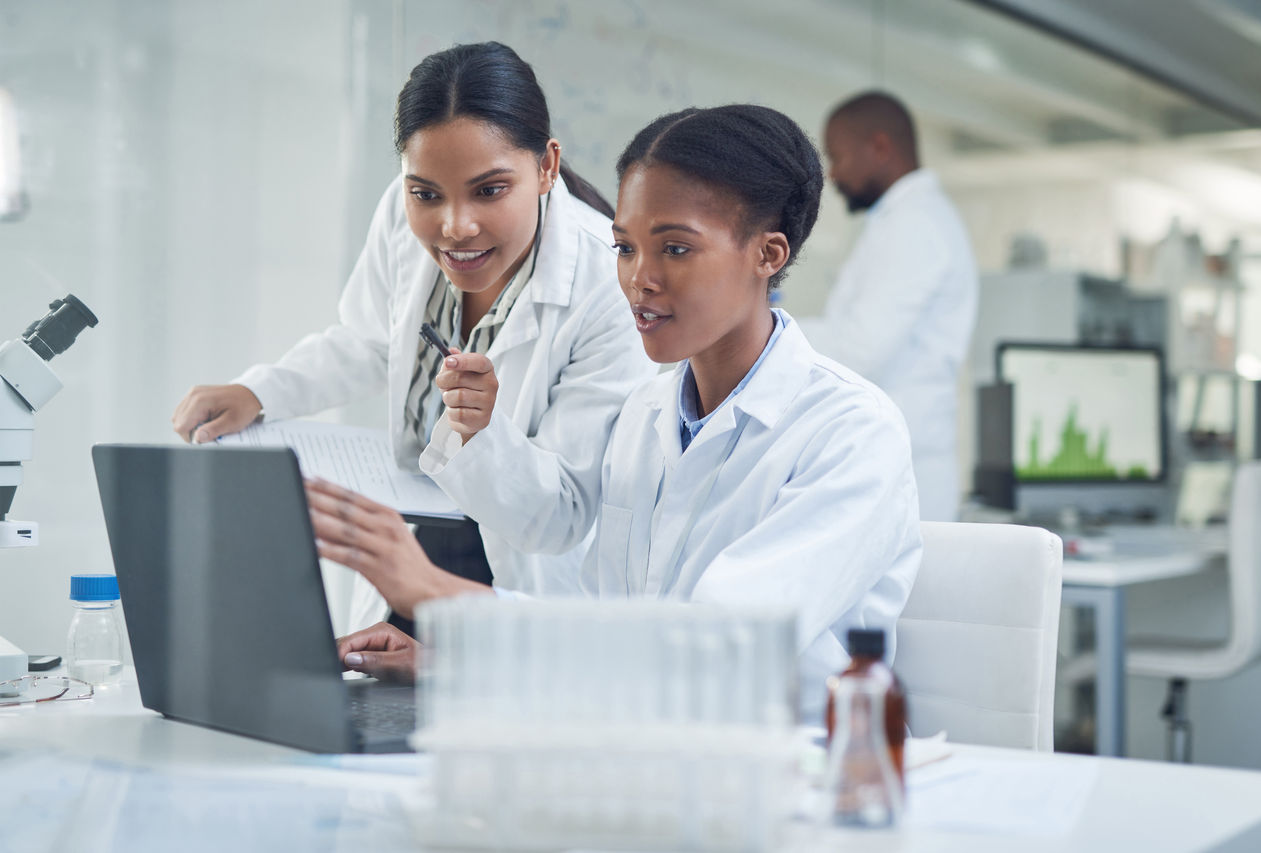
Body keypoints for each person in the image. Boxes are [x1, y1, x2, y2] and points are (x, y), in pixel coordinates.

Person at [308, 104, 922, 722]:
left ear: (768, 254)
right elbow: (605, 631)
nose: (639, 279)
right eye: (625, 248)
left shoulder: (851, 433)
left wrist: (439, 592)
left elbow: (715, 648)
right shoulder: (646, 417)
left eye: (675, 249)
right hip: (643, 752)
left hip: (789, 774)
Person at [170, 43, 653, 608]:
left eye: (489, 190)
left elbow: (562, 514)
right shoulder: (400, 216)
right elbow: (370, 340)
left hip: (523, 583)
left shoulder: (607, 283)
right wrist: (260, 391)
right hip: (414, 545)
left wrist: (480, 433)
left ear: (545, 166)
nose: (454, 226)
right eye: (426, 194)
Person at [804, 91, 977, 522]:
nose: (833, 173)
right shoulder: (902, 222)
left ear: (880, 148)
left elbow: (860, 351)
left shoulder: (916, 225)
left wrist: (757, 328)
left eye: (838, 157)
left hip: (907, 470)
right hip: (893, 461)